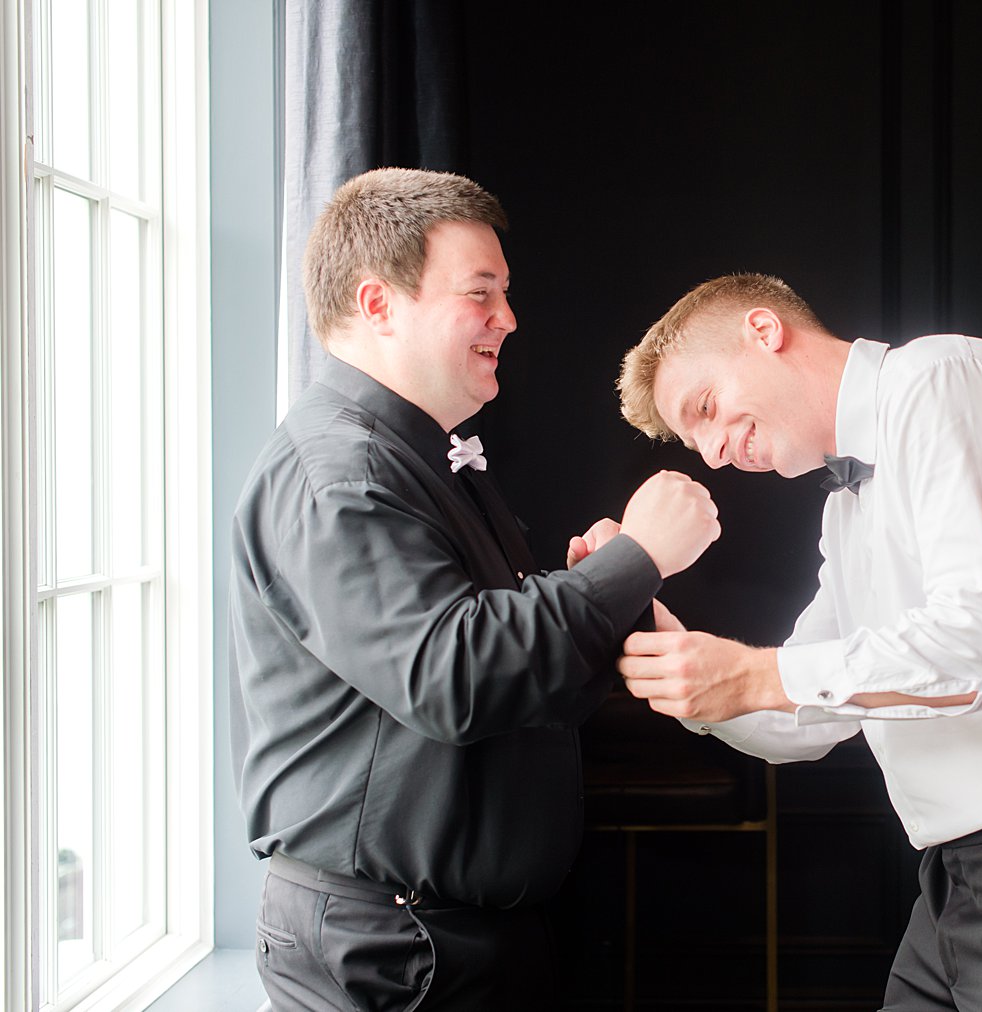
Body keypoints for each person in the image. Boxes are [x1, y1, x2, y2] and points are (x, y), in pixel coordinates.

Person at [604, 273, 982, 1011]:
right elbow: (807, 715)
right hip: (965, 879)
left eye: (705, 409)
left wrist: (750, 677)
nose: (712, 453)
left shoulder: (947, 381)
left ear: (764, 333)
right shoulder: (844, 511)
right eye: (692, 438)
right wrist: (680, 667)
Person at [228, 167, 720, 1010]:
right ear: (378, 304)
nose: (508, 318)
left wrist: (592, 586)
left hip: (446, 941)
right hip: (390, 955)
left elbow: (504, 672)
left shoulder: (419, 457)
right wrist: (637, 555)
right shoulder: (339, 477)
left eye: (506, 292)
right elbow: (451, 674)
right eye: (480, 293)